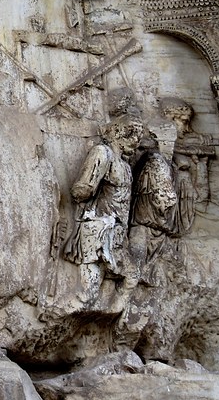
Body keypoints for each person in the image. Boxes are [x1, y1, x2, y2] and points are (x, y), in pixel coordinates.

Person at [62, 115, 142, 305]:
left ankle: (110, 317)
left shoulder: (125, 165)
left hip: (116, 234)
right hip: (97, 231)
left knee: (131, 277)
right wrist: (85, 189)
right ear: (119, 133)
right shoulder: (102, 153)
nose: (136, 143)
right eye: (133, 136)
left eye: (138, 138)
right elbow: (81, 188)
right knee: (89, 292)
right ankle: (58, 314)